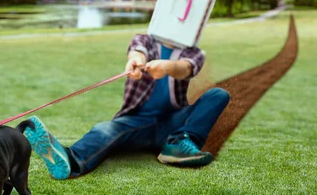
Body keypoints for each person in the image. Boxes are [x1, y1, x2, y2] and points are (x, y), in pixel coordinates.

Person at [23, 33, 231, 180]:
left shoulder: (193, 52)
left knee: (218, 95)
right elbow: (136, 52)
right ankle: (70, 161)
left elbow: (186, 68)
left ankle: (178, 145)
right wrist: (135, 62)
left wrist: (167, 67)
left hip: (171, 124)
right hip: (136, 122)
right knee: (105, 130)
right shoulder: (145, 39)